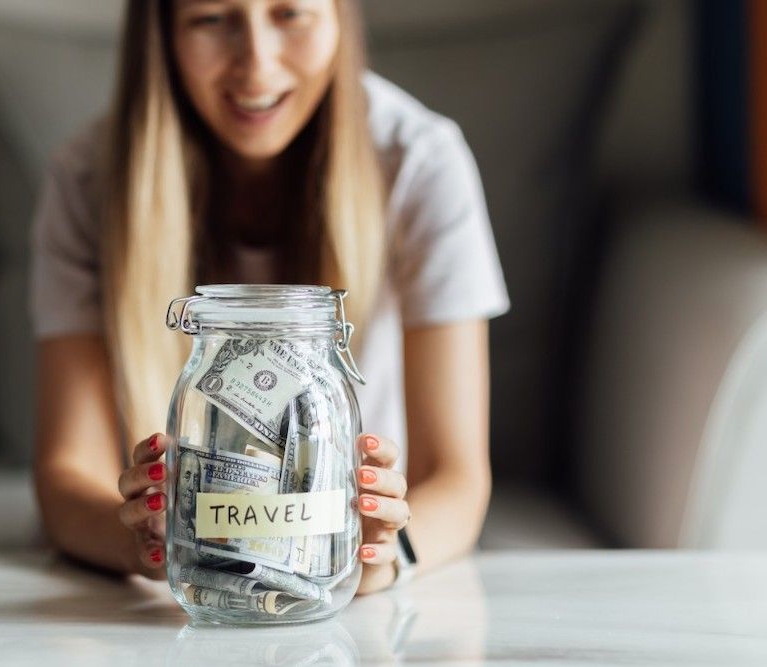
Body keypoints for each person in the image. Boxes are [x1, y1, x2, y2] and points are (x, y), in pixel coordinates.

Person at [30, 0, 509, 596]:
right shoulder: (86, 181)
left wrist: (380, 555)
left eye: (290, 13)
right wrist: (148, 540)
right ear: (161, 35)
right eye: (211, 19)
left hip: (345, 567)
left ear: (340, 17)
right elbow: (65, 477)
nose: (256, 65)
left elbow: (459, 481)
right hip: (177, 577)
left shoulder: (421, 161)